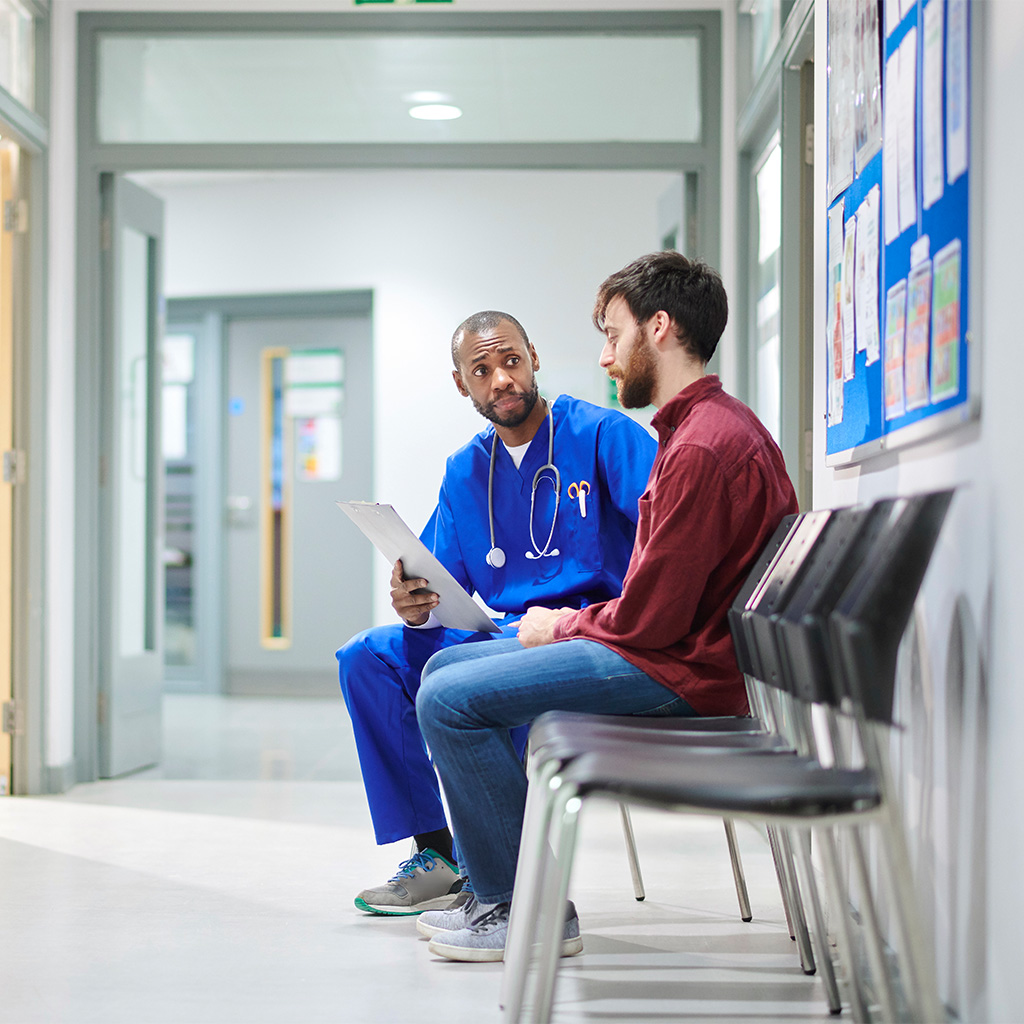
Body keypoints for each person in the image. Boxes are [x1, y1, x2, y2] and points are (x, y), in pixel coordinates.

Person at [414, 252, 799, 961]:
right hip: (675, 653)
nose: (605, 357)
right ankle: (506, 896)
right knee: (440, 677)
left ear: (658, 329)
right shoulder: (701, 430)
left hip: (681, 669)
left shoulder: (702, 449)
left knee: (448, 700)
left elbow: (652, 618)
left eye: (613, 336)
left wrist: (563, 624)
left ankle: (520, 910)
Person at [337, 310, 657, 916]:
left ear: (533, 357)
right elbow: (442, 581)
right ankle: (437, 855)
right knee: (367, 658)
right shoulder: (465, 469)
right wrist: (413, 603)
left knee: (478, 672)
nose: (501, 380)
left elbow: (666, 540)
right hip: (501, 629)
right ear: (462, 384)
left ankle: (507, 877)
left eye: (511, 361)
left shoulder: (603, 435)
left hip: (587, 633)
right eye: (481, 370)